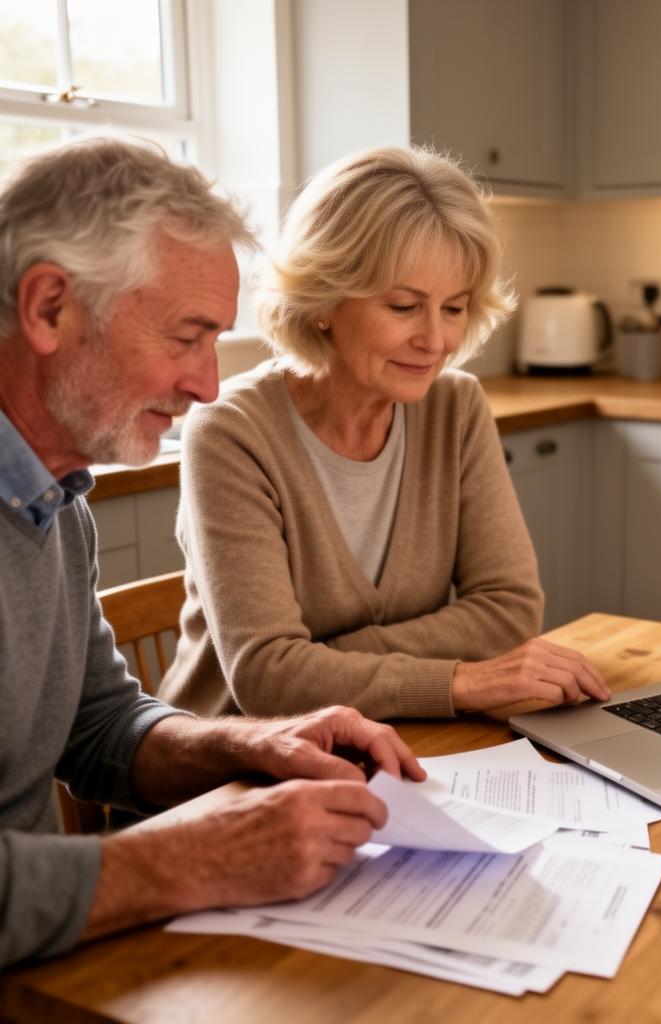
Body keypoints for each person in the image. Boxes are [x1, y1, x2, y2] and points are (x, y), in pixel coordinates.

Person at [0, 137, 425, 970]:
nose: (205, 384)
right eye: (189, 336)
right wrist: (194, 857)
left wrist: (250, 745)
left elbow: (100, 730)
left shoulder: (57, 497)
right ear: (49, 308)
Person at [157, 146, 610, 720]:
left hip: (385, 739)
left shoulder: (456, 406)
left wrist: (321, 665)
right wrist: (457, 681)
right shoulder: (230, 432)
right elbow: (268, 680)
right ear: (323, 298)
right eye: (403, 306)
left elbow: (509, 610)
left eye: (454, 308)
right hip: (233, 766)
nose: (436, 340)